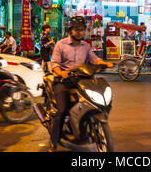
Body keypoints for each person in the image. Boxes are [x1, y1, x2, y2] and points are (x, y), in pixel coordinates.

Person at [47, 16, 113, 151]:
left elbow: (94, 59)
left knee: (92, 102)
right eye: (76, 29)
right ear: (71, 30)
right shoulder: (60, 44)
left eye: (82, 29)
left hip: (81, 80)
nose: (79, 32)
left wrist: (104, 63)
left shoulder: (85, 46)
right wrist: (61, 72)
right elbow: (55, 65)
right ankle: (54, 141)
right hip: (63, 80)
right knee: (62, 110)